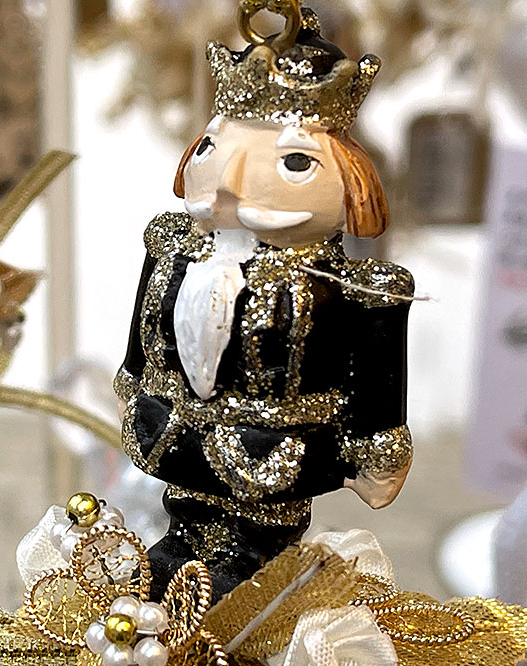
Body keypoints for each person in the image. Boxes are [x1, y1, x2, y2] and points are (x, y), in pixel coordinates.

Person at [114, 0, 416, 600]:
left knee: (256, 560)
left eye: (295, 162)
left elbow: (377, 373)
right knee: (180, 530)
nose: (229, 183)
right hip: (174, 436)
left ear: (352, 179)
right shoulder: (171, 246)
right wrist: (132, 381)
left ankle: (252, 573)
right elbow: (142, 340)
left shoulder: (354, 288)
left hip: (280, 455)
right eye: (211, 149)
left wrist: (377, 451)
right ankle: (177, 557)